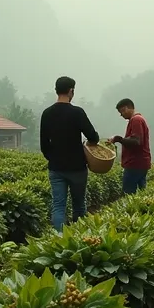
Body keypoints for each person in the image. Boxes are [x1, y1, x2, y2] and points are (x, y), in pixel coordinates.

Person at [39, 76, 100, 231]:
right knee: (79, 204)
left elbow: (44, 145)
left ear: (56, 91)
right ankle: (79, 238)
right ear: (71, 91)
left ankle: (58, 241)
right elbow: (93, 136)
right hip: (77, 167)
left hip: (56, 168)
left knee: (58, 206)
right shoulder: (77, 113)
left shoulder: (47, 113)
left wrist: (54, 159)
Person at [109, 98, 151, 194]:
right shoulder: (138, 119)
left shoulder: (136, 120)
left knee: (128, 194)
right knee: (141, 193)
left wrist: (118, 139)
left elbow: (136, 141)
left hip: (135, 164)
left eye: (121, 112)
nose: (121, 115)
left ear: (126, 108)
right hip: (141, 163)